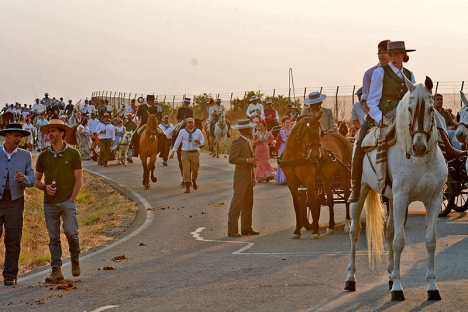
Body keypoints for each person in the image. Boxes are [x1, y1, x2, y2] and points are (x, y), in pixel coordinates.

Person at [34, 119, 82, 283]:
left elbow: (78, 180)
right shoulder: (43, 156)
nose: (50, 134)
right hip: (50, 203)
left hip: (67, 202)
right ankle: (56, 269)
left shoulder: (73, 154)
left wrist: (71, 199)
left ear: (62, 133)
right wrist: (45, 187)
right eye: (48, 132)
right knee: (53, 238)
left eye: (53, 131)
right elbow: (36, 180)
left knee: (71, 232)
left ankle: (75, 259)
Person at [0, 124, 36, 286]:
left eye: (20, 137)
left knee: (13, 238)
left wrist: (24, 180)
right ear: (6, 136)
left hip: (15, 201)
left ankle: (10, 274)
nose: (18, 139)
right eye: (15, 135)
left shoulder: (25, 155)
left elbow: (32, 179)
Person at [227, 119, 259, 237]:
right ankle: (232, 229)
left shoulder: (248, 141)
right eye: (250, 128)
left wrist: (252, 165)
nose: (251, 130)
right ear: (245, 130)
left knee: (248, 202)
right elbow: (232, 159)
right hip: (240, 174)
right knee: (238, 201)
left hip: (248, 174)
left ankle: (246, 228)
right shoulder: (237, 142)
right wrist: (247, 160)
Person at [170, 117, 204, 193]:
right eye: (189, 123)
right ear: (186, 124)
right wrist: (173, 151)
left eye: (192, 123)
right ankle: (187, 185)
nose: (190, 124)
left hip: (195, 152)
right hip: (185, 152)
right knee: (185, 169)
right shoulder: (182, 131)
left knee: (195, 169)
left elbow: (202, 140)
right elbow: (177, 142)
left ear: (194, 123)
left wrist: (200, 142)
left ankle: (194, 179)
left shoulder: (198, 131)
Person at [361, 40, 392, 113]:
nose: (381, 55)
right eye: (379, 52)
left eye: (384, 52)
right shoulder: (369, 73)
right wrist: (372, 118)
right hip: (376, 114)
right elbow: (365, 100)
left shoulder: (401, 72)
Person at [274, 116, 292, 184]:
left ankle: (289, 178)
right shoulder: (281, 132)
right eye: (286, 123)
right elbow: (278, 141)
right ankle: (282, 178)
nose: (287, 124)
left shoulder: (292, 131)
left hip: (290, 147)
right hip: (283, 147)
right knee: (282, 162)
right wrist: (277, 147)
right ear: (284, 124)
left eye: (289, 122)